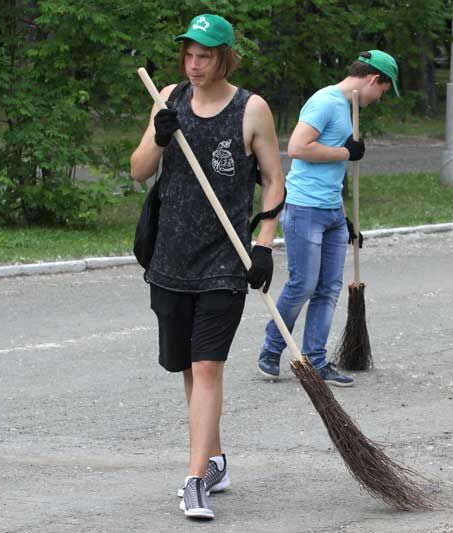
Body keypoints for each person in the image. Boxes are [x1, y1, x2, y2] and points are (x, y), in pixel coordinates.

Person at [130, 13, 285, 519]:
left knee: (207, 365)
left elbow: (273, 180)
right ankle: (215, 458)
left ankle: (195, 479)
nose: (195, 65)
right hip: (170, 257)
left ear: (225, 57)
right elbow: (138, 171)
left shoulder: (250, 109)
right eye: (190, 55)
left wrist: (263, 244)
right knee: (188, 371)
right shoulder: (168, 97)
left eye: (206, 56)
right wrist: (158, 134)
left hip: (225, 260)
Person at [257, 50, 399, 387]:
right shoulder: (325, 101)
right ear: (373, 79)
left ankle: (316, 360)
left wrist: (346, 218)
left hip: (332, 211)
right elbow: (297, 147)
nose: (380, 98)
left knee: (328, 289)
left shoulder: (350, 109)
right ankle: (271, 349)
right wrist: (346, 152)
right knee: (303, 285)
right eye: (383, 90)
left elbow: (334, 170)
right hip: (305, 209)